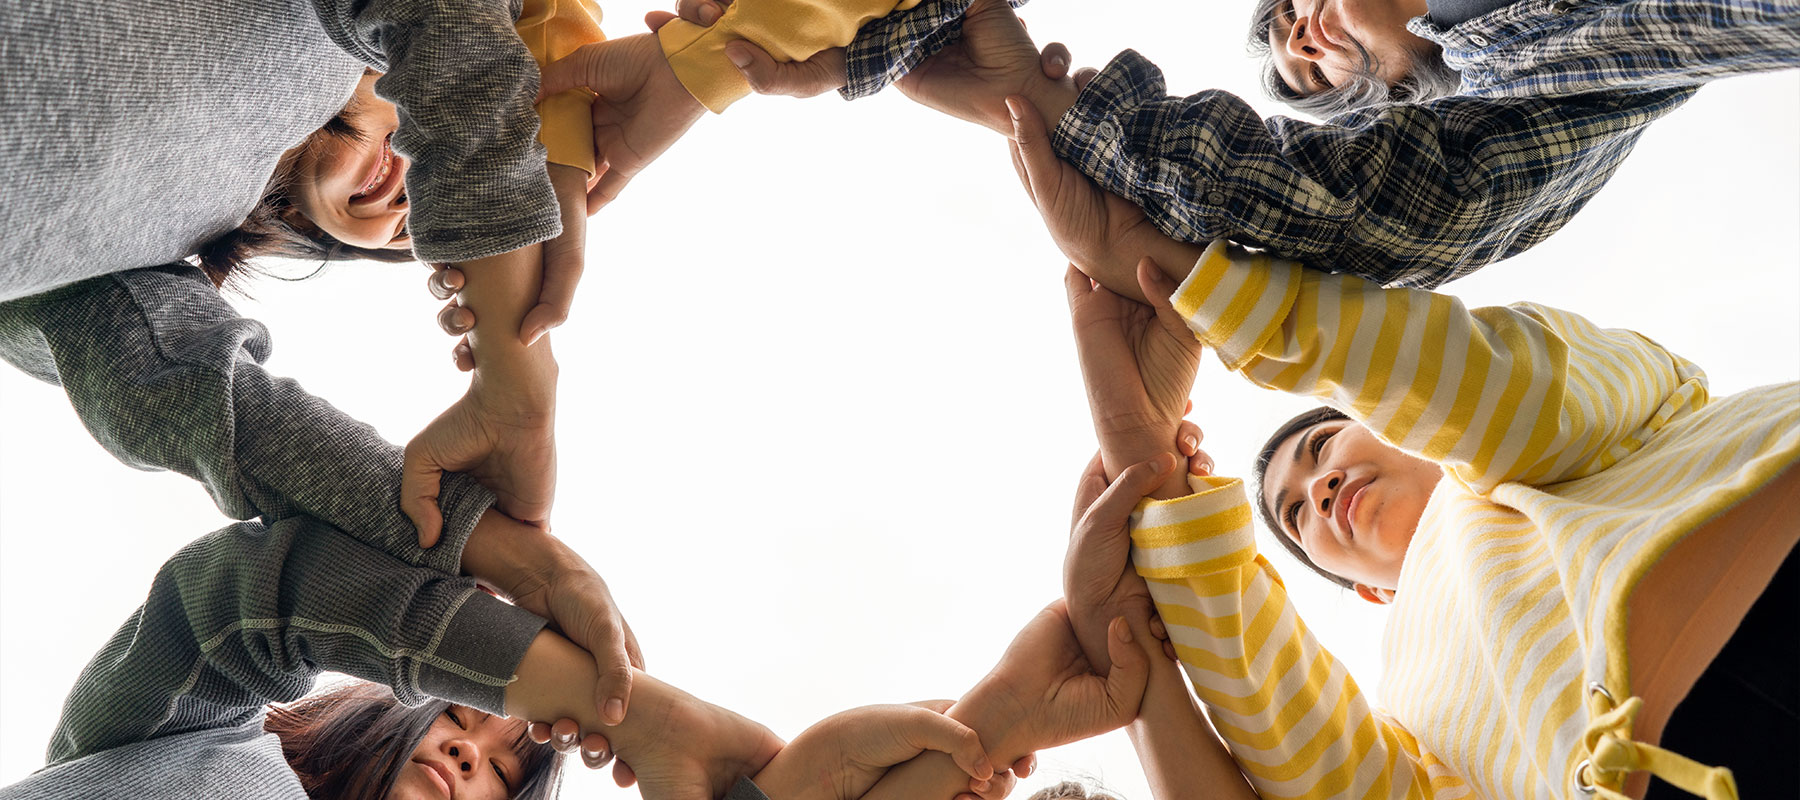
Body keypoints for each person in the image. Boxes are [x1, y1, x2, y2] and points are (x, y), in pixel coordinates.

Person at [1015, 97, 1799, 797]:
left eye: (1320, 446)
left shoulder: (1624, 400)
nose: (1316, 491)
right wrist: (1140, 439)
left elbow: (1493, 392)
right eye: (1295, 517)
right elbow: (1314, 755)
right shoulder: (1416, 704)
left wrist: (1193, 283)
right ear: (1370, 594)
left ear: (1387, 419)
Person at [0, 491, 1163, 800]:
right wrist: (631, 710)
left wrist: (990, 725)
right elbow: (257, 591)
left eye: (504, 776)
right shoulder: (194, 751)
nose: (475, 760)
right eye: (462, 721)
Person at [636, 0, 1795, 290]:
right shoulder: (1547, 65)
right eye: (1311, 69)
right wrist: (1019, 106)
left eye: (1286, 12)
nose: (1298, 28)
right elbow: (1367, 213)